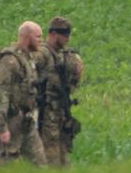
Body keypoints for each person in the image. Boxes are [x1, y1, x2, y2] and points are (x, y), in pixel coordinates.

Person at [0, 21, 43, 164]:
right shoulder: (9, 61)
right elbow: (1, 94)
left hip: (27, 121)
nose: (41, 40)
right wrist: (2, 128)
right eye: (38, 37)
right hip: (12, 121)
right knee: (6, 162)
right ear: (26, 37)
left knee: (40, 163)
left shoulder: (28, 58)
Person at [33, 17, 84, 166]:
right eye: (65, 35)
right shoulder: (42, 53)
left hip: (60, 114)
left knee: (64, 159)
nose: (68, 39)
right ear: (54, 34)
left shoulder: (61, 54)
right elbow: (27, 73)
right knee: (50, 157)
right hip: (46, 115)